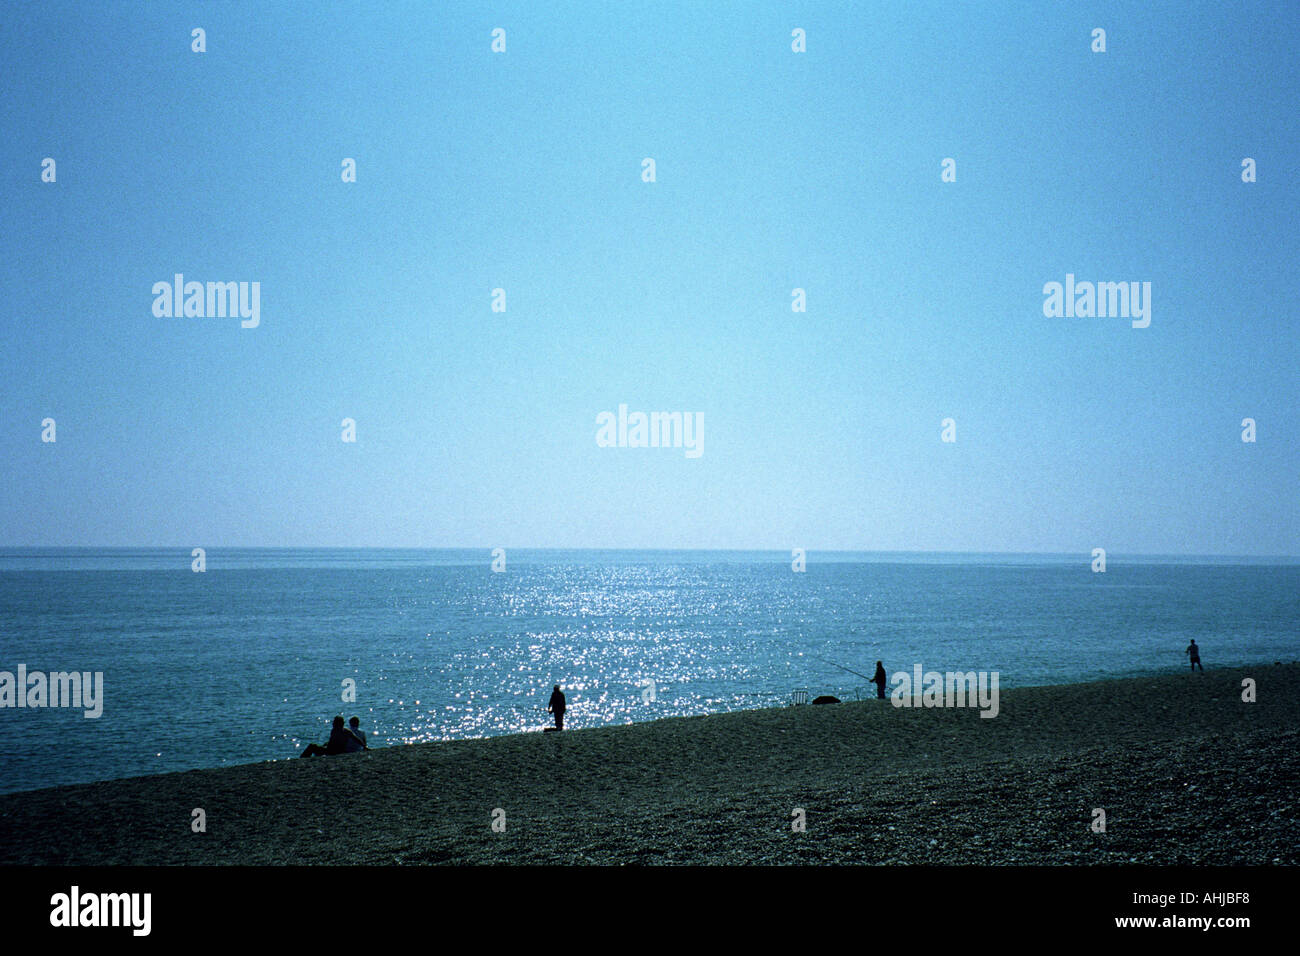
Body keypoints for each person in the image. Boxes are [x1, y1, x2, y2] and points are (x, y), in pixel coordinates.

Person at [301, 715, 366, 757]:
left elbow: (331, 744)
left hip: (332, 752)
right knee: (322, 745)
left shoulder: (335, 731)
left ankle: (303, 758)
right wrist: (364, 746)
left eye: (334, 722)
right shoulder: (347, 731)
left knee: (312, 746)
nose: (333, 724)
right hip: (340, 751)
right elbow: (356, 739)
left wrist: (324, 746)